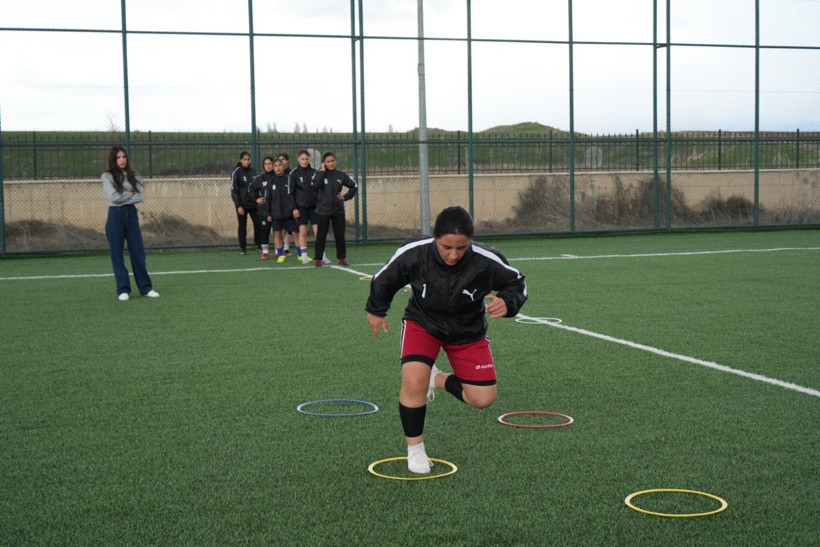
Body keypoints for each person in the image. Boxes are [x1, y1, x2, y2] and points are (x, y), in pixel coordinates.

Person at [365, 206, 527, 473]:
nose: (453, 255)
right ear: (435, 238)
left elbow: (517, 283)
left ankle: (436, 378)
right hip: (423, 322)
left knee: (482, 398)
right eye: (446, 247)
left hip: (467, 330)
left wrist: (508, 303)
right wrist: (376, 309)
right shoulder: (414, 252)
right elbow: (385, 278)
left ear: (470, 242)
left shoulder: (486, 260)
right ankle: (415, 450)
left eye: (461, 248)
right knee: (413, 379)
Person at [102, 146, 160, 301]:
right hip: (115, 215)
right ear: (114, 160)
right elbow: (113, 197)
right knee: (117, 253)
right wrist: (130, 193)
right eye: (118, 157)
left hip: (131, 215)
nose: (122, 160)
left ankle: (146, 288)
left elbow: (140, 197)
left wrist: (125, 196)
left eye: (124, 157)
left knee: (138, 252)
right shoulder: (107, 176)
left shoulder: (134, 175)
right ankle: (123, 289)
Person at [312, 152, 358, 267]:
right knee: (321, 234)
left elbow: (354, 186)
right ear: (324, 163)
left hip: (338, 210)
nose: (331, 163)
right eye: (328, 161)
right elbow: (315, 185)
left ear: (335, 161)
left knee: (340, 235)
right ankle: (318, 259)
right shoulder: (319, 174)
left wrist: (346, 197)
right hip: (323, 210)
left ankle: (341, 258)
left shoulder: (341, 174)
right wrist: (322, 171)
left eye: (332, 161)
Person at [289, 149, 326, 265]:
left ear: (309, 159)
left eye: (306, 159)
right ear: (298, 159)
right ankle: (303, 255)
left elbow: (319, 189)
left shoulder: (314, 172)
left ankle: (322, 255)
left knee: (318, 231)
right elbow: (290, 192)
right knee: (303, 231)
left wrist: (319, 204)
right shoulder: (293, 174)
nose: (304, 161)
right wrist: (294, 208)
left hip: (314, 207)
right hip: (301, 207)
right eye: (302, 159)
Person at [264, 158, 301, 263]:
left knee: (295, 233)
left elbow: (294, 195)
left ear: (283, 166)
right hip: (276, 214)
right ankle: (280, 255)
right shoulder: (270, 182)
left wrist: (295, 208)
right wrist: (268, 213)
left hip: (289, 213)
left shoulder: (289, 180)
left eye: (279, 165)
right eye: (275, 166)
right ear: (273, 168)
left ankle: (300, 254)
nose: (278, 168)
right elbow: (268, 199)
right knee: (277, 234)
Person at [230, 151, 260, 255]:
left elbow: (256, 187)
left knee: (258, 223)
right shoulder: (236, 172)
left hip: (253, 204)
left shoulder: (253, 172)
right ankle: (243, 247)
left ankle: (258, 244)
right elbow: (234, 190)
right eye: (245, 160)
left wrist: (257, 199)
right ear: (240, 160)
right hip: (242, 204)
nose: (247, 161)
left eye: (248, 159)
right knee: (242, 226)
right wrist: (238, 205)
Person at [248, 156, 275, 259]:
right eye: (266, 164)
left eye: (270, 163)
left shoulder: (277, 177)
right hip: (264, 211)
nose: (268, 166)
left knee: (277, 231)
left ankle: (279, 251)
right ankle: (265, 252)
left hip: (276, 210)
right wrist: (257, 199)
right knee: (264, 231)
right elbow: (251, 189)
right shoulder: (260, 178)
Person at [277, 153, 294, 256]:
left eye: (283, 160)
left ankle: (286, 248)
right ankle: (278, 250)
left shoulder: (292, 173)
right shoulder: (276, 173)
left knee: (289, 228)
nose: (281, 162)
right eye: (279, 160)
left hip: (289, 204)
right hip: (278, 205)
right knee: (278, 228)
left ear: (287, 161)